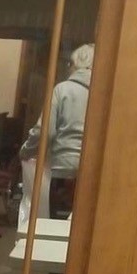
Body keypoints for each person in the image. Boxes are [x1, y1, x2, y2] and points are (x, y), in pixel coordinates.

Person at [18, 43, 93, 223]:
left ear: (76, 64)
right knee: (83, 225)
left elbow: (45, 131)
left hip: (64, 168)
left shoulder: (62, 89)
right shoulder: (105, 92)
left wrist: (26, 151)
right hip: (92, 170)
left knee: (57, 227)